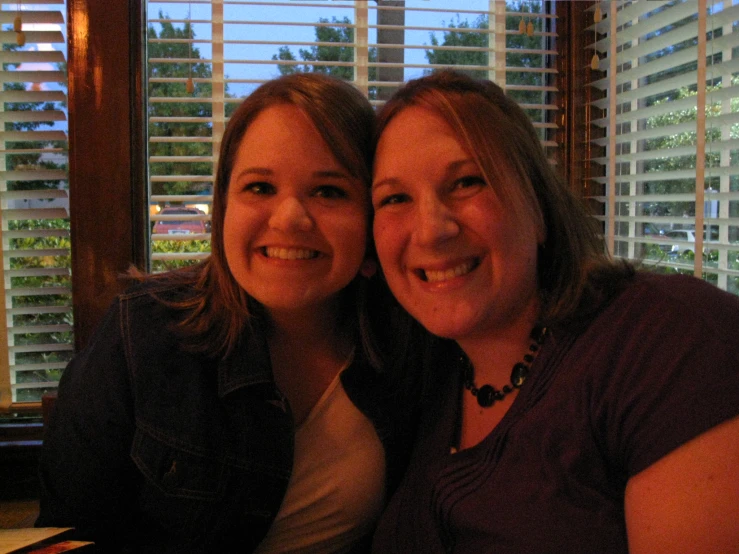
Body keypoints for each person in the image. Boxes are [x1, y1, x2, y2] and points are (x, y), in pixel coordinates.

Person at [37, 73, 414, 553]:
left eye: (329, 191)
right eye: (259, 187)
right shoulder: (142, 332)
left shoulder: (412, 344)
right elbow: (68, 535)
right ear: (223, 206)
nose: (289, 218)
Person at [369, 70, 739, 554]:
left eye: (466, 182)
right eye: (395, 198)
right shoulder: (418, 378)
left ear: (539, 207)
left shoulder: (665, 344)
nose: (431, 229)